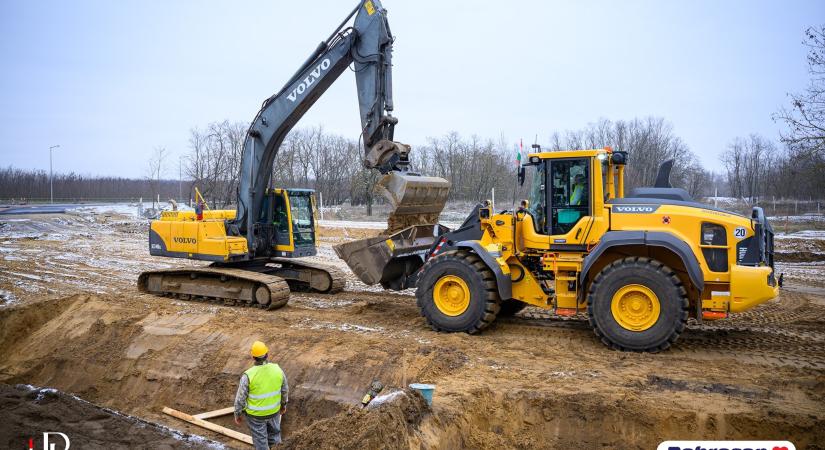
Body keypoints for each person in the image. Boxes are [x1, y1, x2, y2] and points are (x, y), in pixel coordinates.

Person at [234, 341, 288, 449]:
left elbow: (240, 399)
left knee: (261, 443)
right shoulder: (277, 369)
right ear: (267, 354)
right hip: (274, 413)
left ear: (253, 357)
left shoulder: (248, 375)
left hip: (256, 417)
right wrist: (283, 406)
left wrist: (237, 414)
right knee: (275, 439)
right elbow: (285, 390)